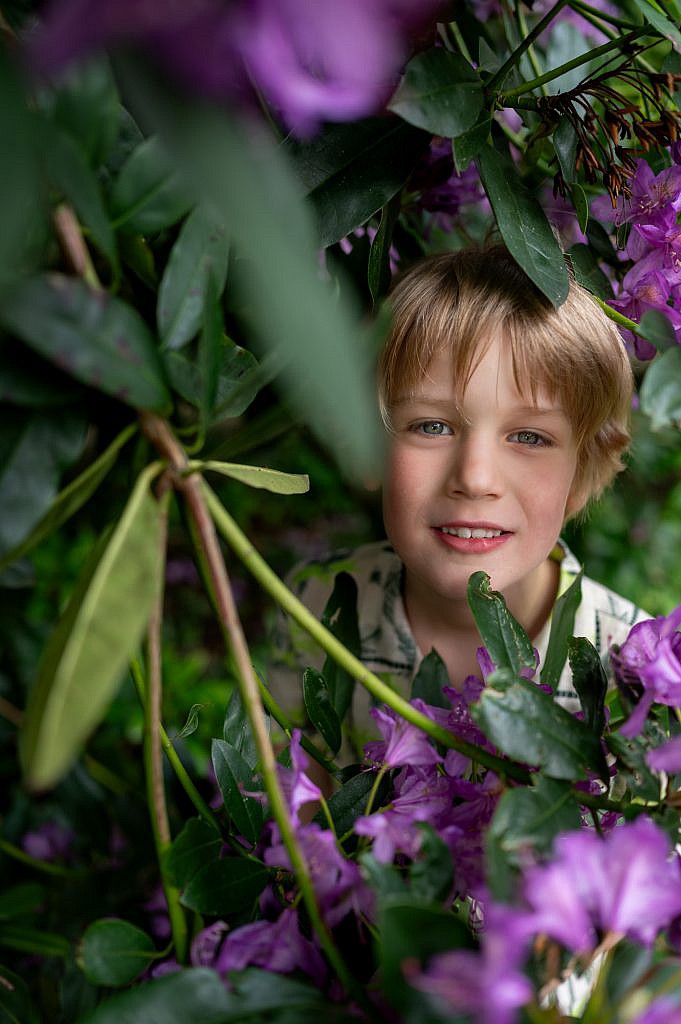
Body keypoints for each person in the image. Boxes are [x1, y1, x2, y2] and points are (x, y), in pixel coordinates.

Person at [269, 243, 650, 762]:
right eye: (432, 426)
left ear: (581, 474)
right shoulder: (315, 607)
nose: (475, 478)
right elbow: (293, 792)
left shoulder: (637, 669)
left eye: (530, 437)